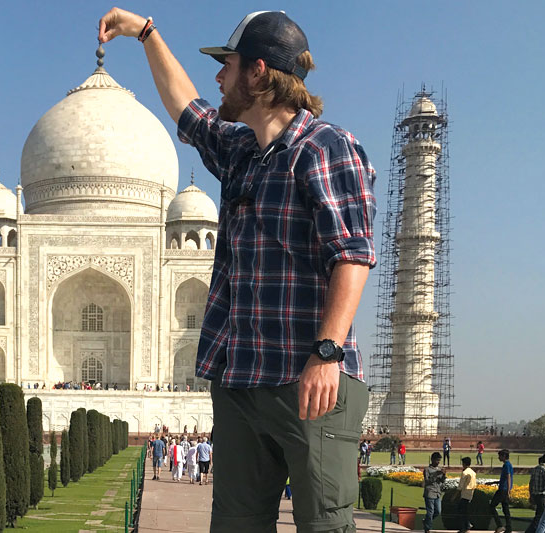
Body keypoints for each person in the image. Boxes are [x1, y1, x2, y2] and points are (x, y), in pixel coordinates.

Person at [98, 8, 374, 532]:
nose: (219, 77)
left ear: (260, 73)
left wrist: (327, 352)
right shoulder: (242, 152)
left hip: (309, 382)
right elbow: (188, 111)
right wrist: (148, 35)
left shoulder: (324, 148)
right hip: (240, 378)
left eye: (229, 65)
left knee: (324, 526)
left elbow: (352, 254)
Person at [528, 453, 545, 533]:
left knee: (540, 515)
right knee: (540, 516)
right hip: (542, 495)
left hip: (535, 494)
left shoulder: (536, 468)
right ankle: (530, 531)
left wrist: (531, 494)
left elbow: (531, 483)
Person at [491, 449, 514, 533]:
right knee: (505, 509)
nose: (498, 458)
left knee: (492, 506)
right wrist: (494, 482)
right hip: (504, 489)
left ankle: (500, 525)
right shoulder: (507, 464)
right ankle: (509, 528)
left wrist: (508, 490)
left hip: (503, 490)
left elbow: (508, 477)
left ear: (504, 456)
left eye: (500, 456)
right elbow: (505, 478)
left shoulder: (507, 465)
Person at [423, 452, 446, 533]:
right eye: (437, 460)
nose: (438, 462)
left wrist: (443, 475)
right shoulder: (427, 470)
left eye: (439, 461)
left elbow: (442, 481)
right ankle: (428, 528)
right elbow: (428, 481)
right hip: (429, 492)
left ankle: (426, 521)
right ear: (432, 460)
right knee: (430, 511)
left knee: (438, 511)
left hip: (437, 493)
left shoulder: (439, 469)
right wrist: (436, 474)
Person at [459, 457, 477, 533]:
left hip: (465, 494)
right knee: (465, 510)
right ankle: (467, 525)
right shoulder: (473, 472)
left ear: (464, 464)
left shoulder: (465, 472)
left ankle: (466, 526)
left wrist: (454, 496)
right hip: (470, 493)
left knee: (462, 511)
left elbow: (460, 486)